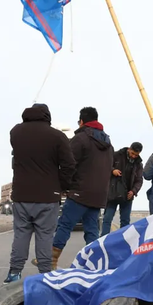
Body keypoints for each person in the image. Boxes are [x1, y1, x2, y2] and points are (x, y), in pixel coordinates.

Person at [5, 103, 76, 284]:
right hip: (47, 195)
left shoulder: (16, 132)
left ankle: (14, 273)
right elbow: (69, 165)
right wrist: (62, 186)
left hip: (21, 194)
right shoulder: (57, 136)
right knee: (45, 235)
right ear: (47, 116)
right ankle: (46, 275)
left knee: (21, 234)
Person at [50, 107, 113, 269]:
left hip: (79, 192)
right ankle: (95, 264)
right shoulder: (107, 142)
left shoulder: (81, 138)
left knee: (65, 225)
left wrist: (64, 185)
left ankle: (52, 260)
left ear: (82, 121)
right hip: (98, 195)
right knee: (92, 230)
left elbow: (68, 163)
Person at [101, 142, 143, 236]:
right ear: (129, 149)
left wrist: (133, 191)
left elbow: (139, 180)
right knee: (107, 219)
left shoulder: (138, 164)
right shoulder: (116, 155)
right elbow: (105, 166)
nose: (133, 156)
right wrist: (113, 170)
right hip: (113, 193)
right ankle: (103, 240)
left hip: (127, 195)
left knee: (125, 221)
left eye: (136, 155)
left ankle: (123, 242)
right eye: (132, 153)